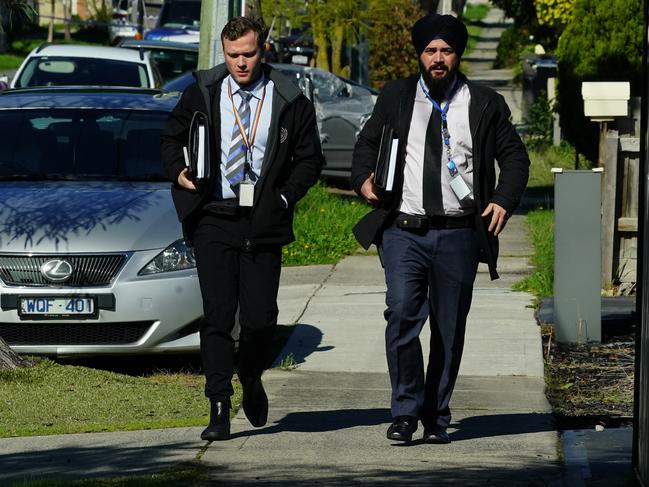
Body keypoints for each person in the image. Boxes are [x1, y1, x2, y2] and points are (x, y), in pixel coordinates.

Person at [351, 13, 529, 444]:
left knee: (448, 328)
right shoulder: (395, 97)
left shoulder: (485, 104)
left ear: (457, 54)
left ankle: (436, 417)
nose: (437, 58)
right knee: (402, 315)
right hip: (403, 230)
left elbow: (516, 159)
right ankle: (405, 411)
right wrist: (364, 181)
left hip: (459, 234)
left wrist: (503, 200)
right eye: (430, 50)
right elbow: (365, 146)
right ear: (419, 55)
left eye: (445, 50)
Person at [161, 16, 323, 441]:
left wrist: (284, 198)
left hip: (263, 219)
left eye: (248, 54)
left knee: (259, 318)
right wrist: (180, 172)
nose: (241, 63)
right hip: (213, 215)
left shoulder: (288, 97)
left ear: (262, 49)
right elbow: (169, 139)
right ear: (223, 52)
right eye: (233, 55)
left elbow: (310, 159)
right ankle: (218, 404)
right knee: (217, 315)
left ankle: (251, 376)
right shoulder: (202, 90)